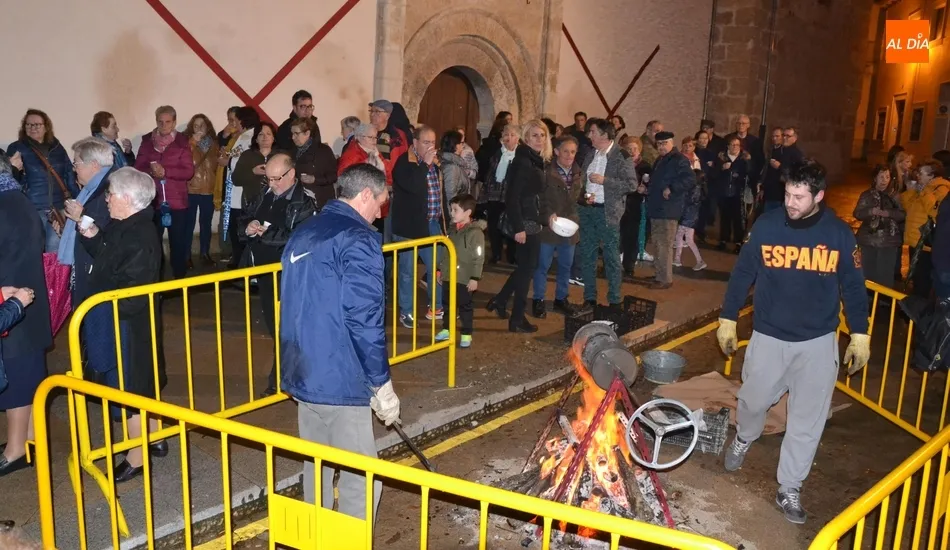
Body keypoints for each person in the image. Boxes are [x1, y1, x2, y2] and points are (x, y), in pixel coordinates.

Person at [717, 160, 870, 525]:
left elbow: (853, 286)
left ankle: (790, 486)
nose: (790, 202)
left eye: (799, 197)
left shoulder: (839, 235)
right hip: (769, 336)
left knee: (807, 420)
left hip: (817, 342)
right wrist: (727, 317)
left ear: (819, 196)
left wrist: (860, 333)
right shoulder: (767, 226)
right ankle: (745, 436)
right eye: (787, 194)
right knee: (752, 401)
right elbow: (743, 273)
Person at [280, 163, 399, 521]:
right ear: (365, 195)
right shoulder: (359, 239)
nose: (380, 214)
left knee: (316, 465)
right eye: (380, 203)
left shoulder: (306, 229)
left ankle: (315, 538)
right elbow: (364, 318)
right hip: (339, 376)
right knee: (360, 478)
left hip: (302, 369)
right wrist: (380, 382)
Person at [78, 167, 164, 482]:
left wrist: (103, 306)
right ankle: (155, 437)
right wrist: (92, 236)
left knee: (130, 388)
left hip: (127, 325)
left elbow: (133, 291)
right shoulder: (125, 225)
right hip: (122, 320)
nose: (107, 199)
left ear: (127, 199)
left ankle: (137, 457)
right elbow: (108, 256)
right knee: (135, 384)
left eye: (111, 194)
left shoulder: (140, 235)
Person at [239, 153, 317, 395]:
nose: (272, 184)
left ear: (291, 174)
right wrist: (248, 227)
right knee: (276, 327)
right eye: (269, 178)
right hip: (265, 274)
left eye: (276, 179)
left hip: (289, 276)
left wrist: (266, 234)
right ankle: (286, 376)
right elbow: (244, 217)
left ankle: (283, 378)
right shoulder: (264, 193)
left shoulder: (305, 202)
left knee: (288, 329)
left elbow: (300, 239)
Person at [0, 154, 51, 477]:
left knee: (17, 379)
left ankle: (16, 450)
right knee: (28, 375)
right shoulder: (16, 197)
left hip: (13, 303)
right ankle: (30, 440)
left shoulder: (4, 204)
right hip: (26, 298)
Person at [486, 120, 553, 333]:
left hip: (532, 218)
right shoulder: (523, 161)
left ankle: (500, 300)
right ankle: (516, 318)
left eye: (542, 135)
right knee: (527, 270)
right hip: (525, 221)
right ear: (526, 138)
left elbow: (535, 194)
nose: (539, 139)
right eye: (534, 135)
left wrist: (547, 215)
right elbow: (512, 197)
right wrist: (519, 228)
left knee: (526, 268)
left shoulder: (535, 159)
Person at [391, 125, 449, 325]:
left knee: (435, 269)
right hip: (409, 226)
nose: (431, 146)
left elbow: (441, 195)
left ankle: (436, 307)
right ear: (415, 143)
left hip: (432, 224)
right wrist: (425, 164)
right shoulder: (404, 163)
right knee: (407, 271)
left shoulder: (435, 164)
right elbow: (413, 186)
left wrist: (445, 223)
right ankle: (406, 311)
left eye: (433, 142)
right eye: (426, 142)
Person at [578, 118, 637, 304]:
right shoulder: (590, 154)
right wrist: (585, 197)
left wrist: (605, 181)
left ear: (604, 135)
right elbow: (583, 182)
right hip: (587, 210)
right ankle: (589, 299)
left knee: (611, 257)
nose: (589, 135)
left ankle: (614, 300)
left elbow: (631, 185)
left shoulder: (622, 156)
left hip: (607, 213)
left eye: (593, 132)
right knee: (587, 255)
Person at [134, 105, 196, 280]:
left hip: (177, 202)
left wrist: (166, 172)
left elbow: (188, 171)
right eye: (160, 122)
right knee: (153, 245)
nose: (164, 125)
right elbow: (138, 168)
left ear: (174, 122)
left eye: (168, 122)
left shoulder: (182, 142)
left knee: (178, 244)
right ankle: (156, 280)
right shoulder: (147, 142)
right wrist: (151, 171)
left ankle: (179, 281)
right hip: (153, 200)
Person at [6, 109, 79, 252]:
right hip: (32, 208)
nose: (32, 128)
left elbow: (69, 174)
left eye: (37, 124)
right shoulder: (17, 148)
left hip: (58, 208)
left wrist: (78, 199)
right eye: (28, 124)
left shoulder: (57, 147)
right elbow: (10, 180)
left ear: (46, 127)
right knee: (34, 250)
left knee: (55, 249)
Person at [57, 138, 115, 305]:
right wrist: (65, 226)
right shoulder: (93, 188)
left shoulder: (107, 190)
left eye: (76, 164)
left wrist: (80, 216)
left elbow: (103, 232)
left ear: (94, 165)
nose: (74, 169)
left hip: (95, 274)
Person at [532, 135, 582, 317]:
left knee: (565, 266)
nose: (569, 155)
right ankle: (538, 299)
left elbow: (576, 199)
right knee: (542, 265)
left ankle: (561, 299)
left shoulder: (578, 173)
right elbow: (539, 198)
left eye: (573, 152)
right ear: (556, 152)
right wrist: (547, 215)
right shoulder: (546, 173)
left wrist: (585, 200)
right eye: (566, 151)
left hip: (569, 225)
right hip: (549, 226)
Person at [434, 194, 485, 348]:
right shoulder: (452, 231)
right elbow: (445, 252)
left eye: (455, 210)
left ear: (467, 212)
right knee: (447, 305)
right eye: (451, 209)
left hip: (464, 278)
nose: (452, 213)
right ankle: (447, 329)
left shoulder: (475, 233)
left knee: (465, 306)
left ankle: (466, 333)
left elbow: (479, 257)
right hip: (449, 275)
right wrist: (440, 270)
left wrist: (474, 278)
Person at [646, 131, 693, 290]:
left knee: (664, 244)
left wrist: (672, 188)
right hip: (657, 207)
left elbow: (690, 179)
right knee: (657, 243)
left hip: (668, 208)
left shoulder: (679, 159)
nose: (661, 146)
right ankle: (660, 274)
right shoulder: (661, 159)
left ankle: (665, 279)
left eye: (664, 143)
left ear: (672, 143)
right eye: (659, 144)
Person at [220, 108, 263, 268]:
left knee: (239, 229)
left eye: (236, 120)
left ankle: (240, 263)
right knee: (237, 228)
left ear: (243, 121)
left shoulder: (248, 138)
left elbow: (243, 163)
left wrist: (228, 162)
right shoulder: (243, 136)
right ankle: (238, 260)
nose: (234, 124)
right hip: (236, 190)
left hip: (241, 192)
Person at [901, 160, 950, 297]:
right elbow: (909, 209)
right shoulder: (924, 188)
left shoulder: (941, 189)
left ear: (932, 175)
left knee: (923, 282)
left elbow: (937, 213)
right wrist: (910, 191)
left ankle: (922, 308)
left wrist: (924, 193)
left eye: (921, 173)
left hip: (925, 244)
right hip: (915, 241)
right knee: (916, 279)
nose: (918, 176)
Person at [854, 165, 905, 289]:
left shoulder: (895, 196)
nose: (884, 180)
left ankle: (884, 298)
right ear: (875, 178)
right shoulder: (867, 195)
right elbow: (857, 213)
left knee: (885, 274)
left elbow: (903, 214)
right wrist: (870, 211)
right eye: (881, 177)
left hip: (889, 240)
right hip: (869, 239)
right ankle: (868, 296)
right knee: (868, 272)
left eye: (887, 177)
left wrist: (889, 213)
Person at [479, 124, 520, 265]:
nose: (509, 138)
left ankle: (512, 255)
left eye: (512, 135)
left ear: (518, 138)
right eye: (506, 135)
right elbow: (489, 174)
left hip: (511, 196)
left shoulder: (520, 155)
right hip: (494, 195)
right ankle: (496, 253)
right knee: (494, 226)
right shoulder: (497, 153)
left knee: (511, 226)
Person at [183, 114, 220, 268]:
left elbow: (217, 165)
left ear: (207, 127)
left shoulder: (214, 144)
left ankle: (205, 253)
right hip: (191, 188)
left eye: (202, 125)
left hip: (208, 189)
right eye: (196, 125)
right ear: (191, 128)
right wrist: (193, 143)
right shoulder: (186, 143)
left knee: (206, 224)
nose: (199, 128)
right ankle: (186, 256)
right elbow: (190, 163)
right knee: (188, 224)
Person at [619, 136, 654, 273]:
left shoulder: (645, 166)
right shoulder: (619, 164)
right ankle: (612, 265)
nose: (632, 151)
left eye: (635, 148)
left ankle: (629, 266)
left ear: (640, 150)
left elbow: (651, 185)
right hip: (619, 204)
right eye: (629, 148)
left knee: (632, 237)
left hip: (635, 206)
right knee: (617, 236)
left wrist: (645, 190)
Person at [716, 135, 754, 253]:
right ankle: (723, 240)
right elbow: (714, 174)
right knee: (724, 218)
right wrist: (722, 168)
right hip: (724, 192)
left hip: (738, 193)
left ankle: (738, 242)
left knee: (739, 219)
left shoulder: (744, 159)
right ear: (728, 146)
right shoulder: (721, 157)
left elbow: (750, 173)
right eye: (732, 145)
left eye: (737, 145)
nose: (735, 147)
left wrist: (740, 174)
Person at [290, 117, 337, 209]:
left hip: (321, 202)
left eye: (296, 133)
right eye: (292, 133)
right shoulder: (292, 152)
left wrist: (315, 179)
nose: (293, 137)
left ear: (307, 133)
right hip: (300, 202)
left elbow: (334, 176)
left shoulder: (323, 151)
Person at [673, 169, 707, 271]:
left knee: (683, 238)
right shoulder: (698, 188)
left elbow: (689, 201)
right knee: (684, 238)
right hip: (690, 216)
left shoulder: (695, 188)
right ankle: (678, 259)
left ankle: (698, 261)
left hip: (688, 216)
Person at [439, 130, 469, 200]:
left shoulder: (455, 163)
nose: (463, 145)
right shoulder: (451, 167)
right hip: (455, 205)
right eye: (462, 143)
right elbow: (450, 196)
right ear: (455, 145)